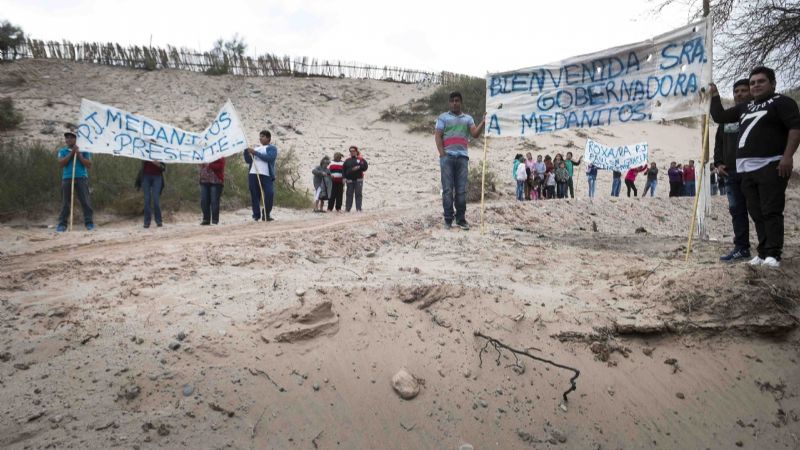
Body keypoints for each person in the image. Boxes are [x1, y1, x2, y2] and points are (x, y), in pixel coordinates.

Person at [710, 66, 800, 267]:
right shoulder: (744, 108)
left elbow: (795, 128)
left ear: (773, 83)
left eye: (761, 81)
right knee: (756, 212)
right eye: (752, 82)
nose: (756, 85)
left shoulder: (782, 102)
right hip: (745, 170)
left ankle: (773, 254)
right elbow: (719, 117)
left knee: (771, 210)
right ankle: (762, 252)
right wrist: (714, 95)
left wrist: (787, 157)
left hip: (770, 165)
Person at [714, 78, 753, 262]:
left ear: (751, 91)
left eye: (744, 90)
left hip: (753, 171)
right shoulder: (728, 117)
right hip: (731, 172)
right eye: (736, 91)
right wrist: (718, 163)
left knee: (759, 210)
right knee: (737, 211)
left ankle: (768, 250)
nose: (739, 94)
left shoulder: (757, 112)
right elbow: (719, 143)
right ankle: (741, 248)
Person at [434, 91, 486, 230]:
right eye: (452, 101)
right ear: (449, 103)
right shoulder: (443, 118)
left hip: (462, 158)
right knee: (447, 190)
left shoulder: (468, 119)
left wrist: (483, 122)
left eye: (457, 100)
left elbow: (475, 134)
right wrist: (442, 154)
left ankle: (461, 219)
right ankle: (448, 219)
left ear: (461, 102)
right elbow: (438, 136)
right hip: (447, 158)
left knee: (461, 191)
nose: (455, 103)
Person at [56, 131, 94, 232]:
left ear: (76, 139)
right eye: (67, 138)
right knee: (65, 202)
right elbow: (61, 163)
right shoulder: (62, 151)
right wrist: (72, 153)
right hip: (67, 178)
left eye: (71, 137)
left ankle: (89, 222)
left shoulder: (85, 150)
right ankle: (62, 224)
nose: (68, 139)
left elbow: (89, 165)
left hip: (81, 177)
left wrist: (79, 155)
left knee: (85, 201)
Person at [244, 130, 277, 222]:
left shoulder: (272, 148)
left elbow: (269, 158)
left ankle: (266, 214)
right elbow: (248, 161)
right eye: (260, 136)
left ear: (268, 138)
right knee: (255, 195)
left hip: (266, 175)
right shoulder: (256, 148)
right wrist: (246, 152)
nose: (260, 138)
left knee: (269, 193)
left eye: (262, 136)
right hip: (254, 174)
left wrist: (255, 153)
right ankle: (256, 215)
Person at [135, 161, 165, 228]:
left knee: (156, 199)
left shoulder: (161, 151)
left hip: (157, 176)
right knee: (147, 199)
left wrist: (158, 164)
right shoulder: (145, 150)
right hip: (146, 176)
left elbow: (163, 168)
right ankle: (146, 222)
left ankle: (159, 221)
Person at [199, 157, 225, 225]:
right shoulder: (203, 154)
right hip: (204, 180)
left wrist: (209, 165)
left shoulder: (219, 154)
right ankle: (206, 219)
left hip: (216, 181)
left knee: (214, 201)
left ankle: (214, 220)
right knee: (204, 201)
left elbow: (220, 166)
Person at [343, 146, 368, 212]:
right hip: (349, 180)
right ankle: (347, 209)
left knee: (358, 194)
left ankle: (358, 208)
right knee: (349, 194)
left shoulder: (361, 159)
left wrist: (359, 167)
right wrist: (344, 178)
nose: (352, 152)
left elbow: (365, 167)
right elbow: (344, 170)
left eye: (353, 151)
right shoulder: (347, 160)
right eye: (351, 151)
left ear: (356, 151)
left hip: (358, 180)